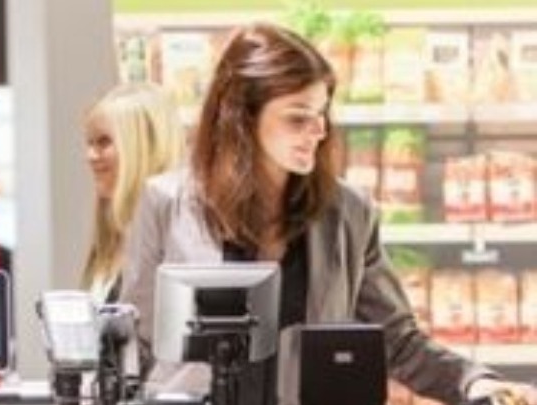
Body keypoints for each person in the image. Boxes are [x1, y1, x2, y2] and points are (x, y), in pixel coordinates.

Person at [119, 23, 537, 405]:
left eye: (321, 114)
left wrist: (474, 382)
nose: (318, 131)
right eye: (297, 118)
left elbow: (396, 340)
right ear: (242, 116)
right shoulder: (166, 203)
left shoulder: (348, 214)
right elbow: (135, 343)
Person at [81, 82, 186, 303]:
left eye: (103, 142)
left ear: (142, 148)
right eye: (89, 143)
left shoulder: (177, 239)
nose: (90, 156)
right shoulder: (110, 240)